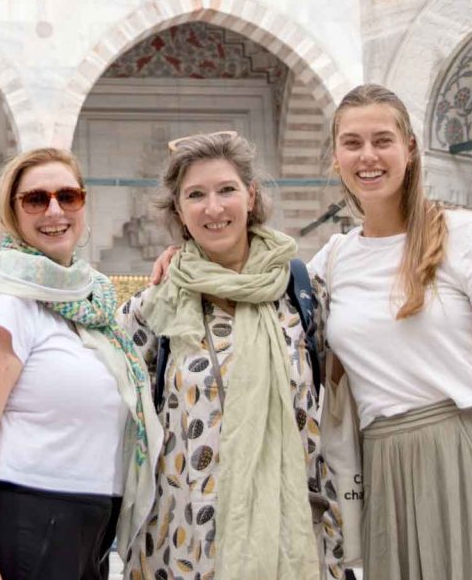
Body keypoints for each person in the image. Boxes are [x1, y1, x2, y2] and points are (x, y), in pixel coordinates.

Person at [311, 84, 472, 580]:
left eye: (382, 140)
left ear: (409, 149)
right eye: (352, 143)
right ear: (336, 156)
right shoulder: (332, 261)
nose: (368, 156)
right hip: (386, 467)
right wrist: (182, 257)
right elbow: (258, 292)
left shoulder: (470, 237)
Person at [126, 132, 335, 577]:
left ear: (251, 195)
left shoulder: (302, 292)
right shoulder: (157, 304)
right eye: (195, 195)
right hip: (187, 537)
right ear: (179, 211)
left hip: (294, 528)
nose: (214, 208)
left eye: (226, 190)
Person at [0, 147, 159, 580]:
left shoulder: (91, 305)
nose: (54, 210)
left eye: (68, 196)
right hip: (28, 519)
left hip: (87, 524)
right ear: (13, 212)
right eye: (35, 199)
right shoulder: (5, 301)